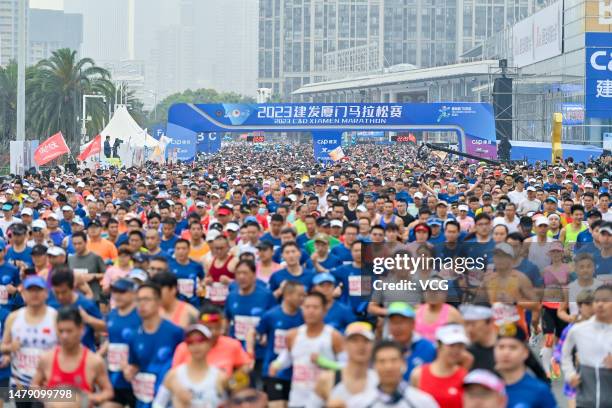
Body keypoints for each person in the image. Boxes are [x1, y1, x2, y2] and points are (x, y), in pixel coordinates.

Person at [269, 292, 343, 408]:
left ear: (324, 310)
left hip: (323, 399)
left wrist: (324, 362)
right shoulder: (293, 335)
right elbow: (287, 357)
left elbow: (347, 366)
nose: (311, 311)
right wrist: (277, 364)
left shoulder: (334, 336)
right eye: (307, 307)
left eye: (315, 307)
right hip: (297, 399)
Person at [32, 307, 114, 405]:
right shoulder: (46, 359)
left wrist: (90, 398)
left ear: (81, 329)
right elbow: (34, 386)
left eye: (69, 331)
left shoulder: (93, 361)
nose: (64, 336)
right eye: (61, 331)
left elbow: (108, 392)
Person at [123, 282, 184, 408]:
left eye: (146, 299)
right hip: (142, 400)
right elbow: (135, 364)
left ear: (158, 302)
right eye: (138, 300)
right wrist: (129, 370)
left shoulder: (175, 332)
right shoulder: (133, 335)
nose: (141, 304)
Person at [254, 281, 305, 408]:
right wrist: (252, 348)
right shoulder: (271, 315)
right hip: (274, 371)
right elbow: (254, 332)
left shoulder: (305, 316)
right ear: (287, 295)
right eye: (300, 295)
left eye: (304, 295)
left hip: (297, 373)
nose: (302, 299)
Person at [1, 276, 57, 388]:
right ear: (23, 294)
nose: (34, 294)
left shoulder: (55, 317)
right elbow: (4, 346)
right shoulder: (13, 317)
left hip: (46, 382)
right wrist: (9, 350)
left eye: (38, 290)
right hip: (20, 381)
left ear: (46, 293)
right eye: (30, 290)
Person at [561, 285, 612, 408]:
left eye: (605, 301)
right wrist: (570, 374)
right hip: (585, 398)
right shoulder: (578, 329)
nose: (600, 304)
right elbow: (564, 353)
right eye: (596, 301)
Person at [153, 324, 228, 407]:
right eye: (190, 342)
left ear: (209, 344)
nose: (196, 346)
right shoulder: (173, 375)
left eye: (200, 340)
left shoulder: (220, 377)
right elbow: (158, 404)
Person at [172, 304, 253, 376]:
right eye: (209, 328)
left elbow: (246, 367)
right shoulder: (185, 348)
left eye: (217, 328)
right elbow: (174, 375)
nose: (213, 332)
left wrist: (231, 384)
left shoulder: (232, 345)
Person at [314, 321, 379, 408]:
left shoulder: (381, 380)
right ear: (345, 345)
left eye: (366, 341)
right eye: (354, 340)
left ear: (373, 345)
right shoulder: (327, 379)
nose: (361, 346)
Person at [495, 322, 557, 408]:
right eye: (501, 347)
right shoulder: (482, 386)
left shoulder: (539, 390)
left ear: (525, 352)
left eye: (513, 347)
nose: (506, 352)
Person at [102, 278, 141, 408]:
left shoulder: (141, 315)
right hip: (114, 376)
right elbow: (112, 339)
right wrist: (98, 355)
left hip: (135, 379)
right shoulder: (112, 315)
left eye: (122, 292)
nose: (117, 295)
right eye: (115, 291)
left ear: (133, 293)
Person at [411, 324, 469, 408]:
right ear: (438, 345)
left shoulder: (466, 377)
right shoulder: (418, 374)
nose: (456, 350)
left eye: (460, 346)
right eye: (451, 345)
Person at [367, 340, 439, 407]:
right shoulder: (362, 403)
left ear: (404, 364)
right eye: (382, 361)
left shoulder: (423, 402)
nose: (388, 367)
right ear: (374, 366)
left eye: (394, 360)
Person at [49, 268, 105, 351]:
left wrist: (88, 319)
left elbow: (105, 327)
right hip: (57, 356)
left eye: (64, 292)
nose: (60, 296)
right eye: (57, 292)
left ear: (73, 288)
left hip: (84, 356)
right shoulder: (49, 301)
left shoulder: (86, 304)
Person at [68, 231, 106, 302]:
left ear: (85, 242)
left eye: (80, 243)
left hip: (94, 298)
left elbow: (106, 275)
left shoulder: (95, 257)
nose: (77, 246)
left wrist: (93, 276)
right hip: (76, 299)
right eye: (74, 244)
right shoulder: (70, 259)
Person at [168, 239, 205, 307]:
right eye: (178, 249)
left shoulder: (196, 266)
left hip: (193, 304)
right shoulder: (169, 266)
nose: (181, 251)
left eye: (184, 248)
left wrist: (201, 287)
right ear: (174, 250)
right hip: (175, 304)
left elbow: (203, 279)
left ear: (189, 250)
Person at [461, 303, 497, 371]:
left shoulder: (506, 349)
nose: (469, 330)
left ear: (489, 322)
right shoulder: (466, 353)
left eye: (473, 324)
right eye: (466, 324)